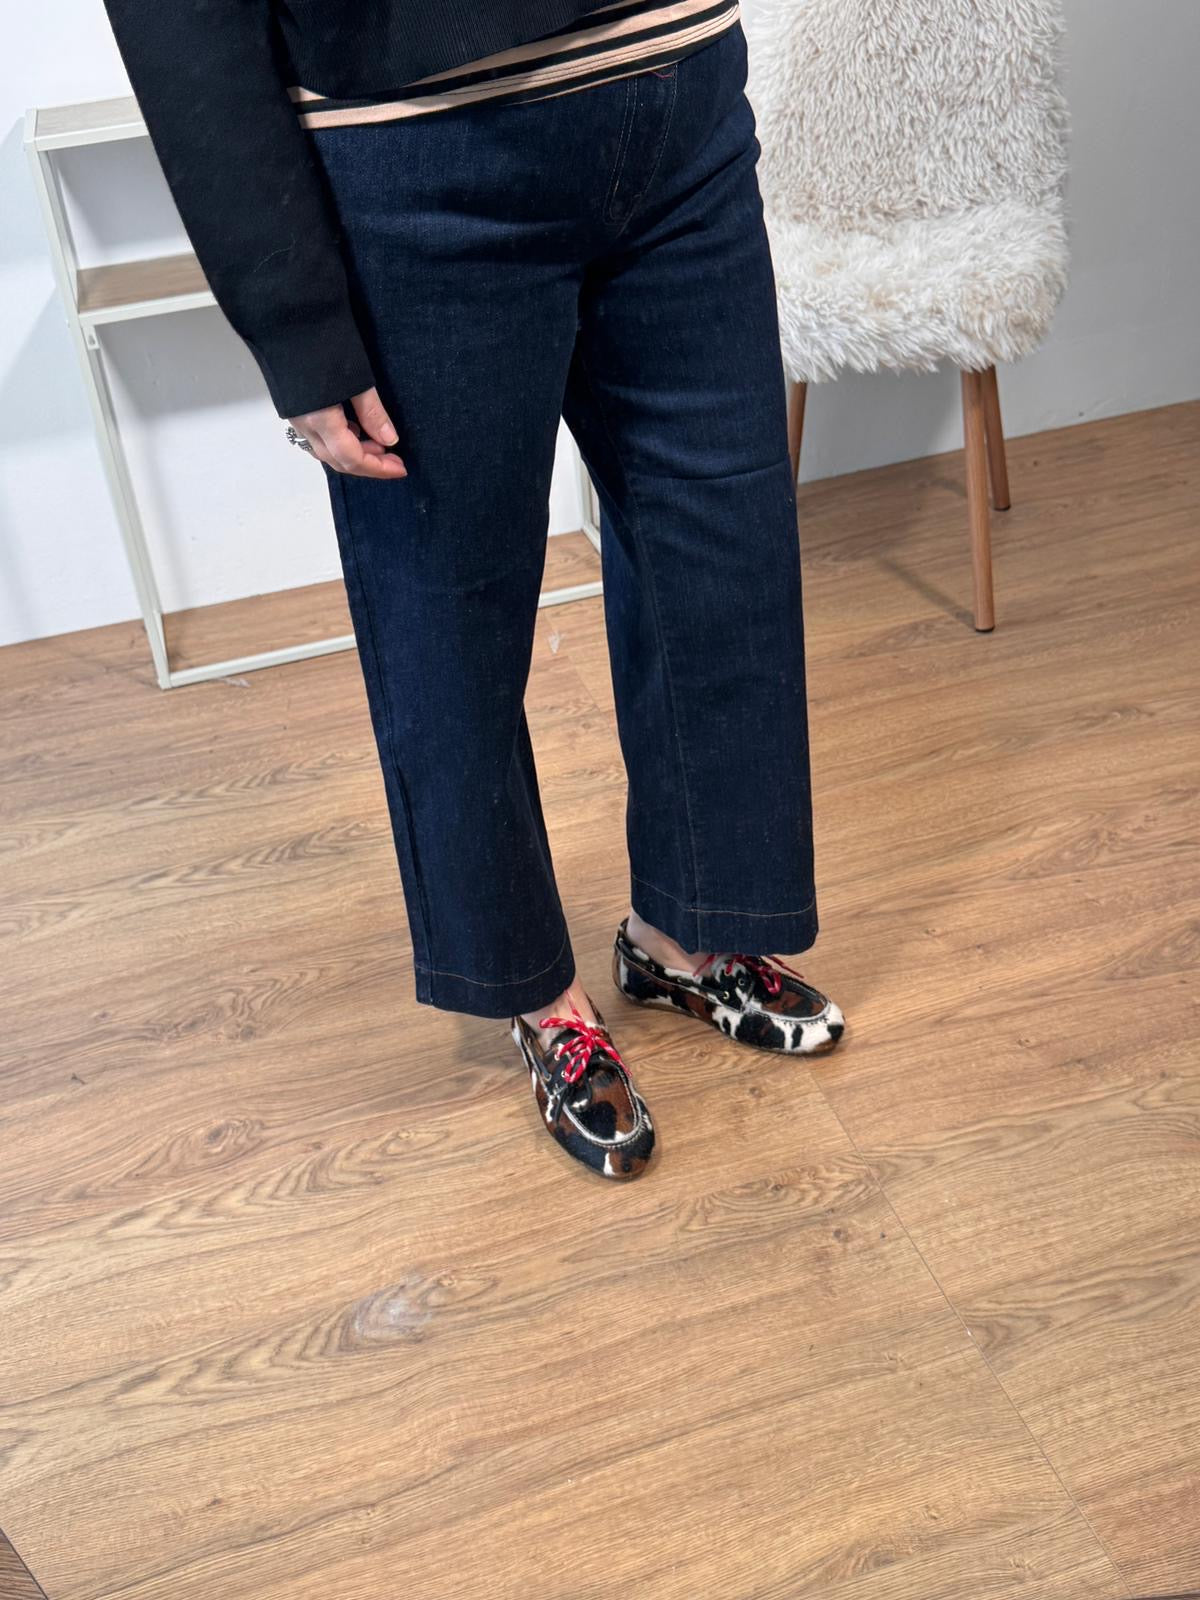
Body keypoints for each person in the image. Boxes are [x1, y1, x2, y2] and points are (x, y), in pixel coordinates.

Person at [102, 0, 846, 1181]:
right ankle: (536, 992)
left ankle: (687, 934)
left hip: (678, 91)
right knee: (450, 608)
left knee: (723, 548)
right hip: (422, 151)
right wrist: (293, 318)